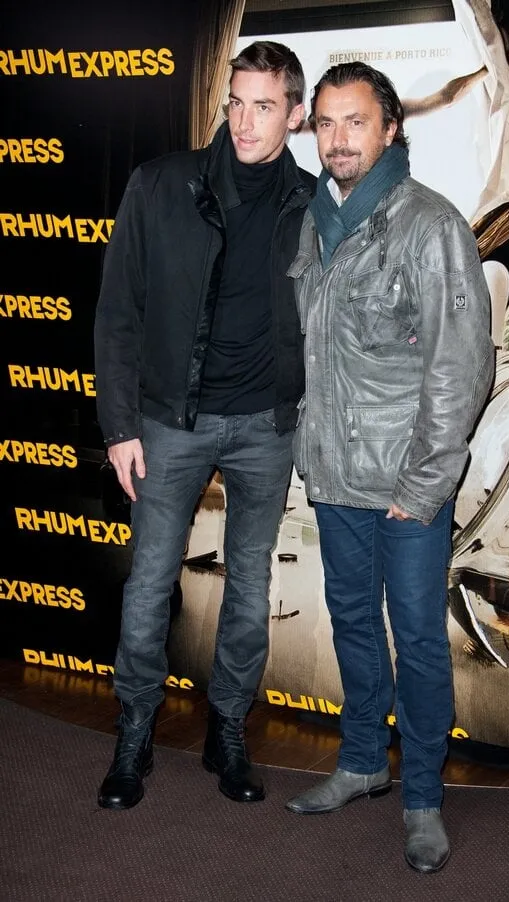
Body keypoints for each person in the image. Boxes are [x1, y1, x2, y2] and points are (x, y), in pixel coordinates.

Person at [284, 62, 494, 874]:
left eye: (356, 122)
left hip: (409, 485)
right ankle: (364, 760)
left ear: (391, 128)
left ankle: (423, 800)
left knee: (417, 638)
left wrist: (424, 484)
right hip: (335, 476)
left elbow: (460, 365)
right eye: (327, 123)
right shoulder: (312, 222)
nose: (338, 139)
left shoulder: (429, 225)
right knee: (352, 626)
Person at [94, 40, 315, 810]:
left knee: (249, 587)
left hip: (266, 427)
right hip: (169, 425)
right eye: (236, 102)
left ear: (295, 112)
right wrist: (120, 427)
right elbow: (118, 313)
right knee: (151, 582)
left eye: (264, 106)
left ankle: (228, 727)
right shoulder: (159, 185)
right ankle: (135, 729)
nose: (245, 121)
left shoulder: (314, 203)